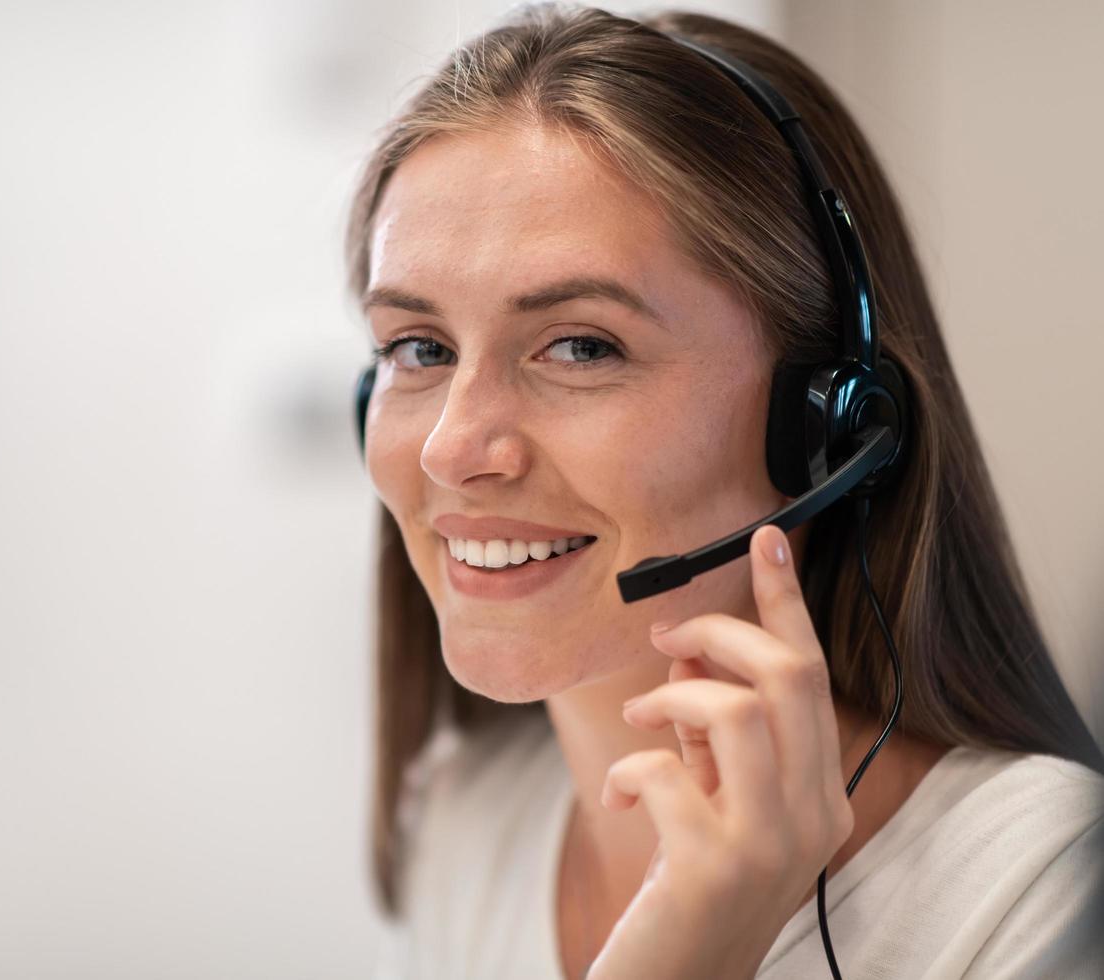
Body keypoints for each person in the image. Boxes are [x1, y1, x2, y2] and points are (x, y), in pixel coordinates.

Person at [344, 5, 1104, 979]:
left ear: (828, 420)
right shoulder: (468, 817)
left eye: (581, 345)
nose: (454, 447)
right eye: (419, 347)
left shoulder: (1038, 885)